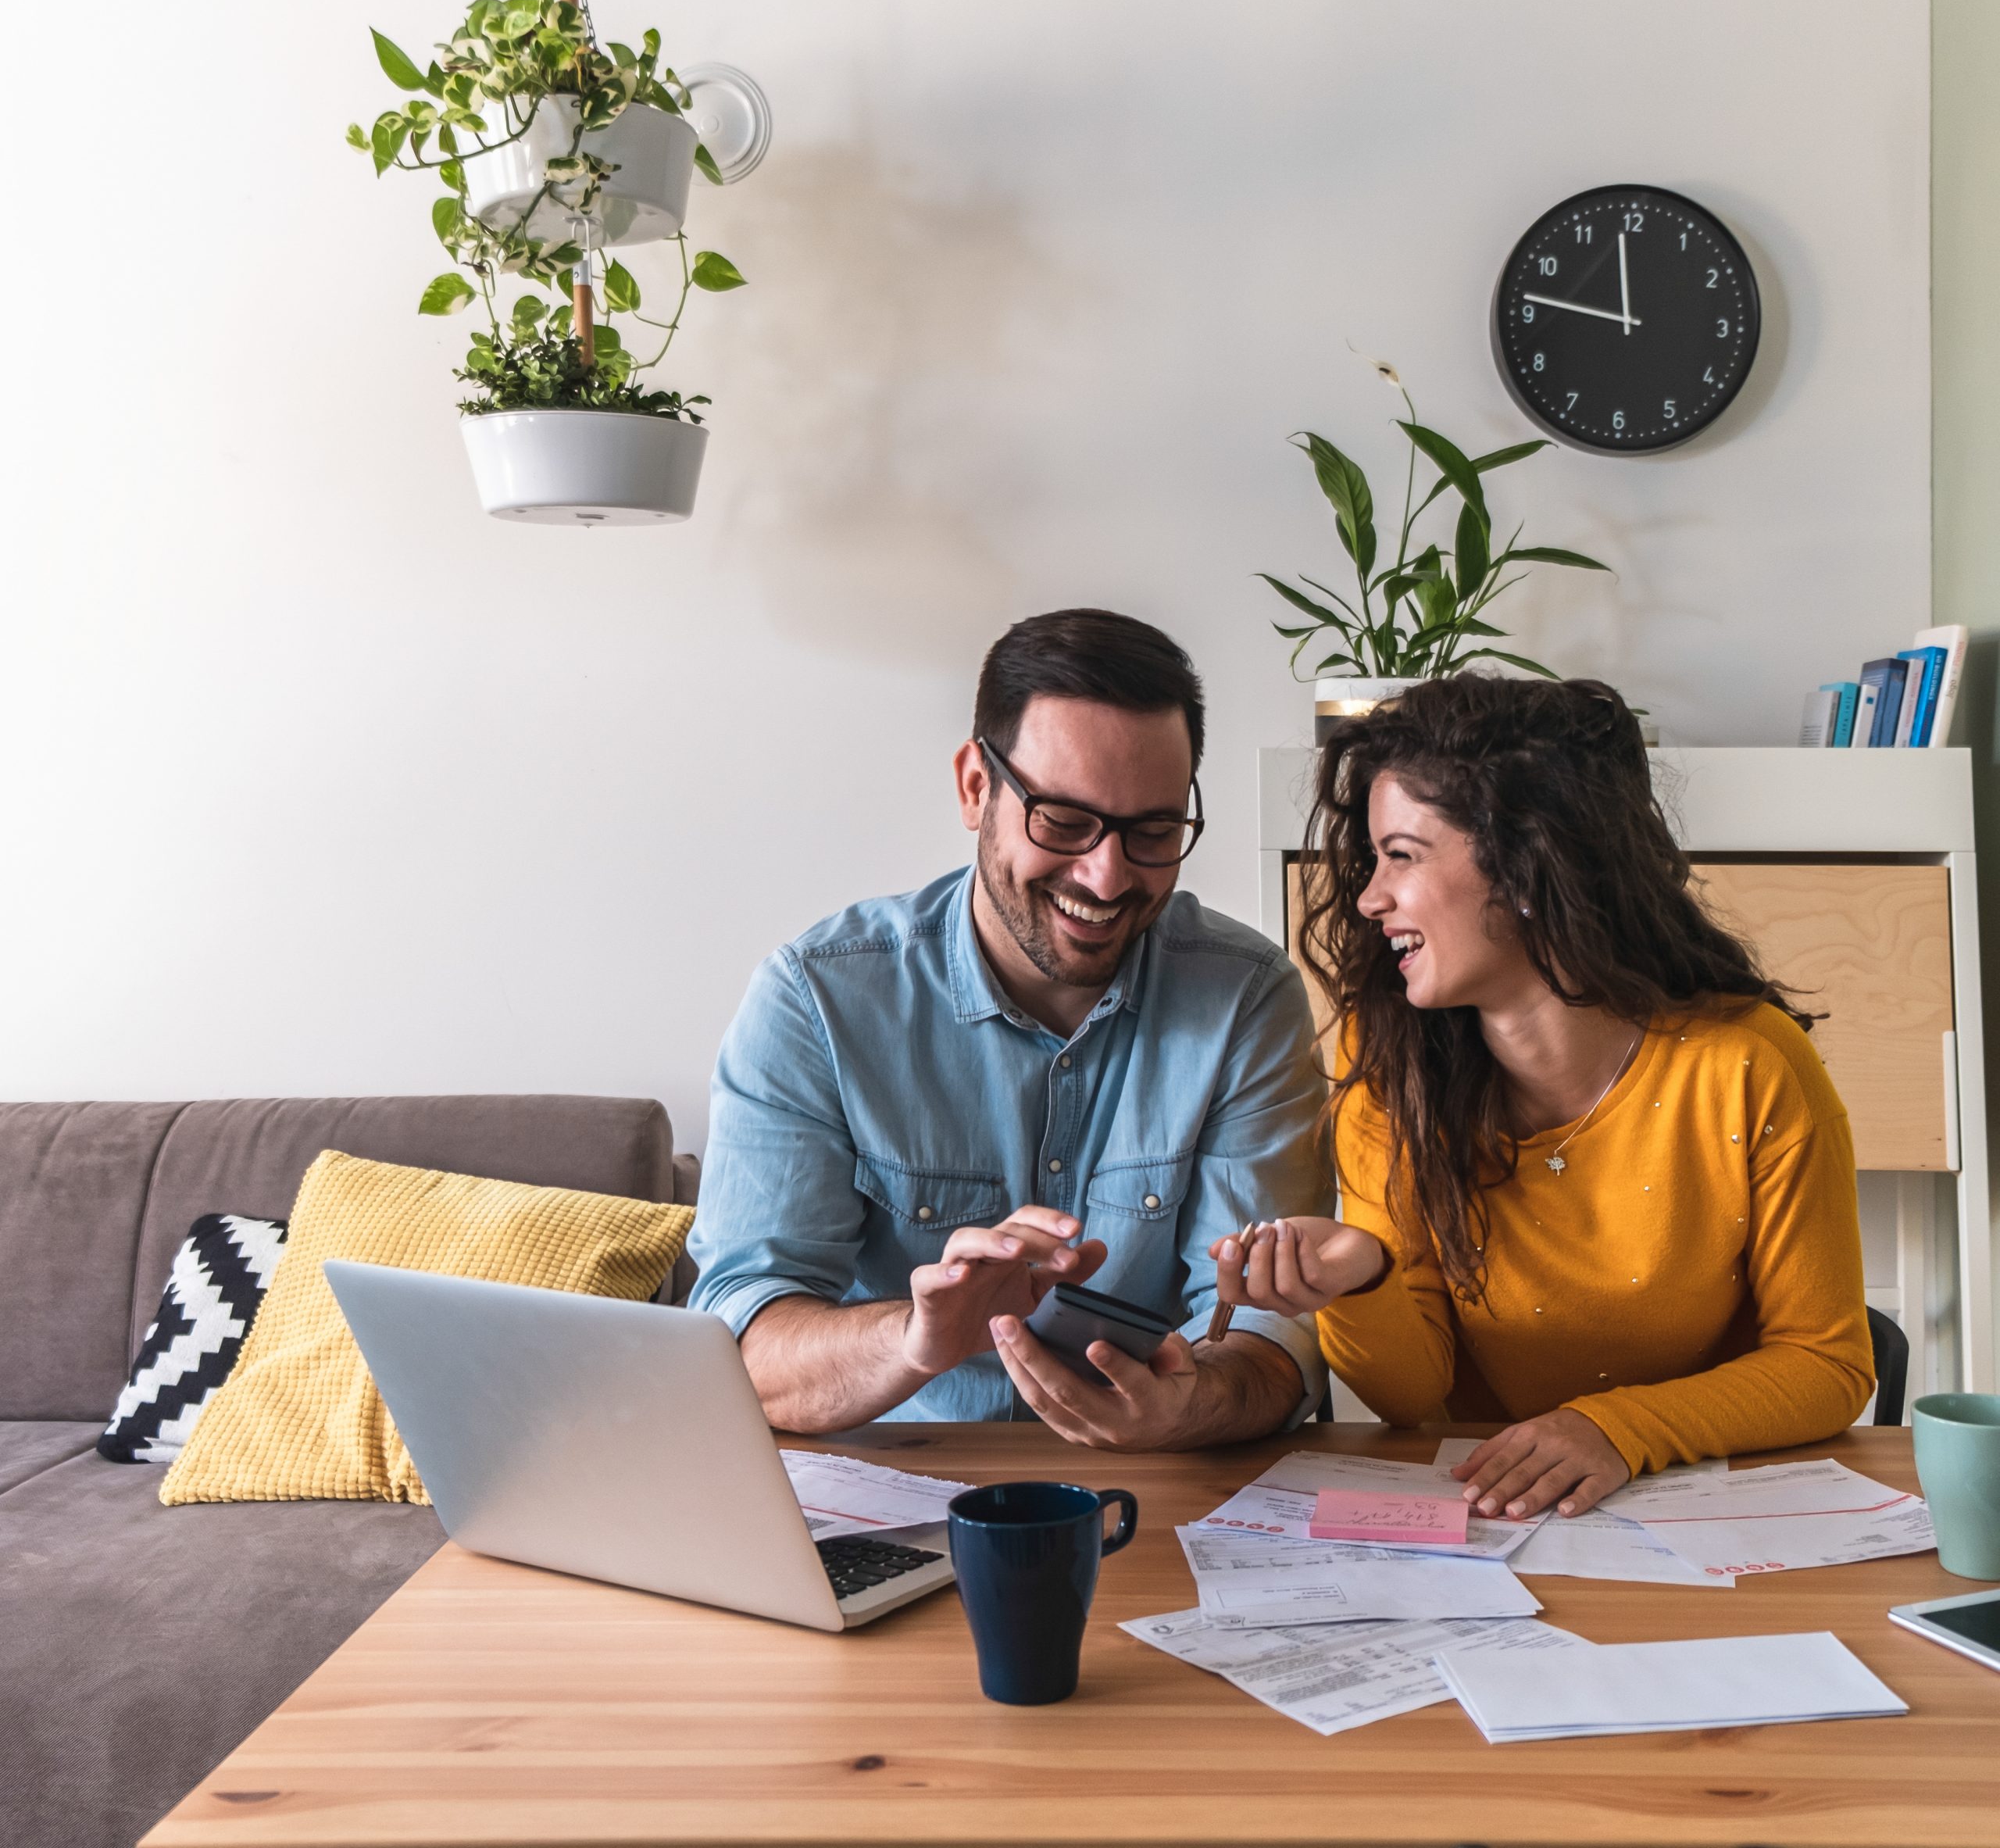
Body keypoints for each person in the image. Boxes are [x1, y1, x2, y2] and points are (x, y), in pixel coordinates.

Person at [1212, 673, 1873, 1519]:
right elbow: (1413, 1397)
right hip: (1500, 1518)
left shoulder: (1748, 1065)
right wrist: (1360, 1275)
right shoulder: (1385, 1070)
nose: (1370, 897)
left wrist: (1618, 1428)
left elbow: (1828, 1363)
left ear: (1527, 864)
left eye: (1402, 856)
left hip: (1709, 1516)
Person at [688, 608, 1330, 1447]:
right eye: (1062, 822)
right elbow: (743, 1345)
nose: (1106, 877)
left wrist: (1188, 1403)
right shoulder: (816, 999)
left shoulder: (1247, 999)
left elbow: (1270, 1330)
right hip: (892, 1484)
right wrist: (915, 1339)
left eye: (1153, 832)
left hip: (1158, 1487)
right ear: (974, 787)